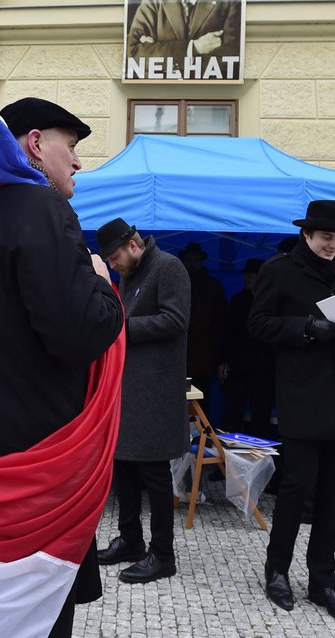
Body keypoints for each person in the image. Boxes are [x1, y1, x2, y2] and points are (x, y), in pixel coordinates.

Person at [0, 98, 123, 638]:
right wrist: (103, 284)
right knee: (35, 620)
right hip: (28, 479)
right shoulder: (40, 209)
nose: (77, 162)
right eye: (71, 147)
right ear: (35, 143)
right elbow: (78, 333)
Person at [248, 200, 335, 629]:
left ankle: (323, 580)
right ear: (306, 235)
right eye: (325, 238)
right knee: (296, 490)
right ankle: (277, 569)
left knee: (333, 496)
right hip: (302, 396)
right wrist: (304, 327)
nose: (333, 245)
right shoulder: (279, 271)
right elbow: (257, 324)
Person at [95, 218, 191, 583]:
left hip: (155, 394)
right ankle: (131, 540)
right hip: (127, 391)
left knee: (154, 475)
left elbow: (175, 320)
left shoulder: (169, 267)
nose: (114, 264)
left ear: (133, 245)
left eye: (115, 257)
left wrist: (120, 327)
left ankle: (163, 554)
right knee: (124, 468)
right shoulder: (130, 273)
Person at [218, 257, 275, 439]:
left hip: (265, 369)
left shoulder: (272, 301)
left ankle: (261, 462)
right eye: (245, 274)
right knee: (233, 414)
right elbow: (227, 332)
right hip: (239, 367)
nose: (246, 278)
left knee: (261, 416)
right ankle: (229, 459)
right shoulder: (238, 300)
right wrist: (223, 360)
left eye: (251, 274)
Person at [180, 241, 227, 420]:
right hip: (180, 354)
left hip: (204, 356)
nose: (192, 263)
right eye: (189, 260)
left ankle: (201, 438)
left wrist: (217, 351)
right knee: (178, 398)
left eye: (196, 260)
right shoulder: (177, 282)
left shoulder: (213, 286)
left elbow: (221, 320)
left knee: (201, 399)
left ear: (202, 261)